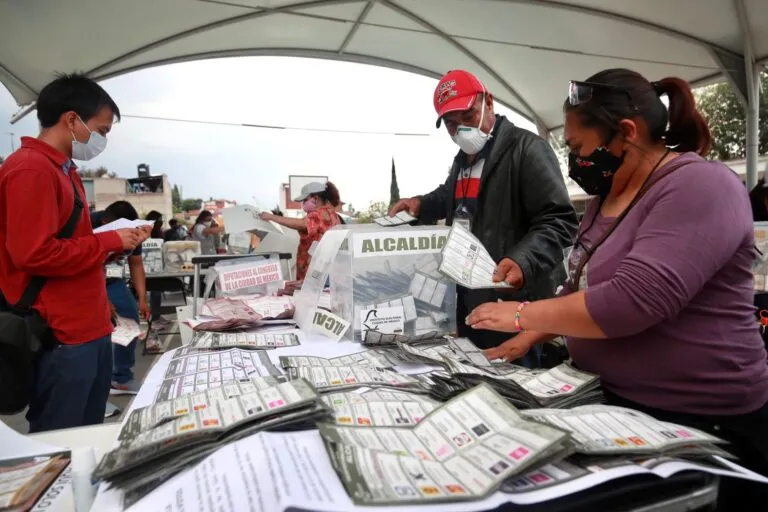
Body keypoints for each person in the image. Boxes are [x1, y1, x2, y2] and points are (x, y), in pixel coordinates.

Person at [467, 69, 768, 502]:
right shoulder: (604, 200)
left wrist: (521, 315)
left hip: (702, 421)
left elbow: (633, 301)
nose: (575, 162)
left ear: (627, 132)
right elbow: (579, 288)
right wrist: (530, 336)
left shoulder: (700, 185)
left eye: (578, 148)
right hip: (618, 407)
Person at [389, 70, 578, 364]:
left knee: (517, 375)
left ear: (488, 102)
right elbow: (452, 196)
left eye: (468, 116)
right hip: (472, 298)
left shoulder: (527, 149)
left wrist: (523, 259)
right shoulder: (463, 161)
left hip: (516, 299)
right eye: (451, 124)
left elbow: (559, 219)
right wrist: (420, 204)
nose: (462, 130)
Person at [0, 73, 144, 432]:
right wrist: (109, 242)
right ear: (71, 119)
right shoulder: (31, 169)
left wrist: (108, 254)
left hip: (89, 326)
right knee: (63, 439)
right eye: (102, 130)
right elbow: (34, 254)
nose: (102, 139)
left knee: (88, 436)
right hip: (62, 335)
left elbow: (70, 248)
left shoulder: (65, 170)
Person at [92, 201, 157, 397]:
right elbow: (87, 266)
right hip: (86, 278)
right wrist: (103, 301)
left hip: (112, 278)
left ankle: (121, 378)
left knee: (129, 316)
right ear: (106, 224)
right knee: (95, 330)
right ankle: (94, 389)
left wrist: (142, 299)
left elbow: (136, 264)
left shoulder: (133, 229)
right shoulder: (88, 224)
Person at [259, 181, 341, 280]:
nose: (303, 204)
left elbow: (301, 224)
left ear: (316, 198)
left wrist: (271, 217)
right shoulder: (333, 214)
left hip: (312, 273)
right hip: (326, 269)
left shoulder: (318, 214)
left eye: (305, 200)